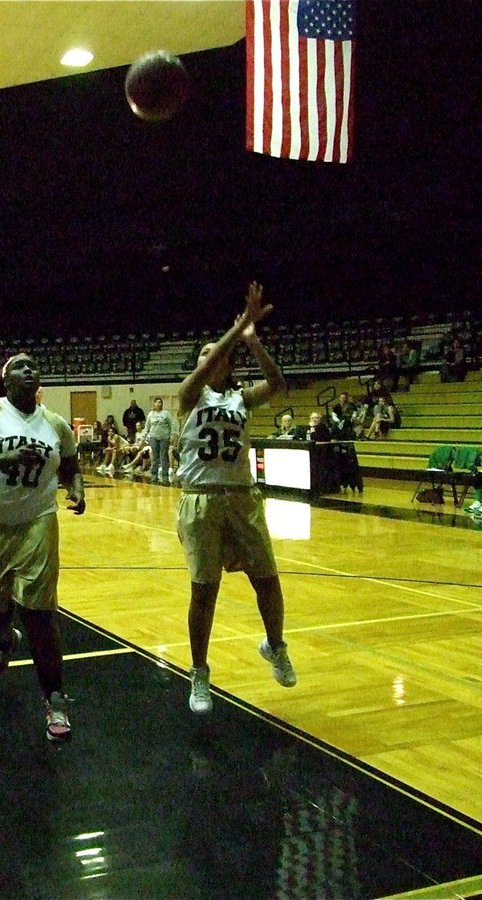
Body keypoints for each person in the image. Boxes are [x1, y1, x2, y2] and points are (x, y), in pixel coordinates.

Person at [176, 282, 297, 717]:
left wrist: (251, 338)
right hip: (201, 501)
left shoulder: (241, 399)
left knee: (267, 577)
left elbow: (278, 383)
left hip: (242, 498)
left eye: (218, 355)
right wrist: (237, 328)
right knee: (204, 591)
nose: (212, 358)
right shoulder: (189, 397)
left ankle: (276, 646)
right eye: (205, 354)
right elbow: (199, 372)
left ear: (229, 363)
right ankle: (199, 671)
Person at [0, 353, 85, 742]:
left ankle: (55, 698)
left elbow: (70, 466)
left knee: (40, 615)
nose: (30, 370)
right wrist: (6, 458)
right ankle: (3, 640)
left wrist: (76, 487)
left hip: (36, 523)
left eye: (34, 366)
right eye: (20, 366)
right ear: (5, 379)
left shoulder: (56, 424)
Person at [144, 397, 177, 484]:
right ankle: (154, 476)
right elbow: (147, 427)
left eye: (160, 402)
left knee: (164, 457)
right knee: (155, 457)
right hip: (153, 437)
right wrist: (144, 436)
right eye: (157, 402)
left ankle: (165, 477)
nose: (159, 404)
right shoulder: (151, 414)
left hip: (164, 438)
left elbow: (172, 424)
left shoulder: (166, 414)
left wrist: (172, 436)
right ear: (154, 404)